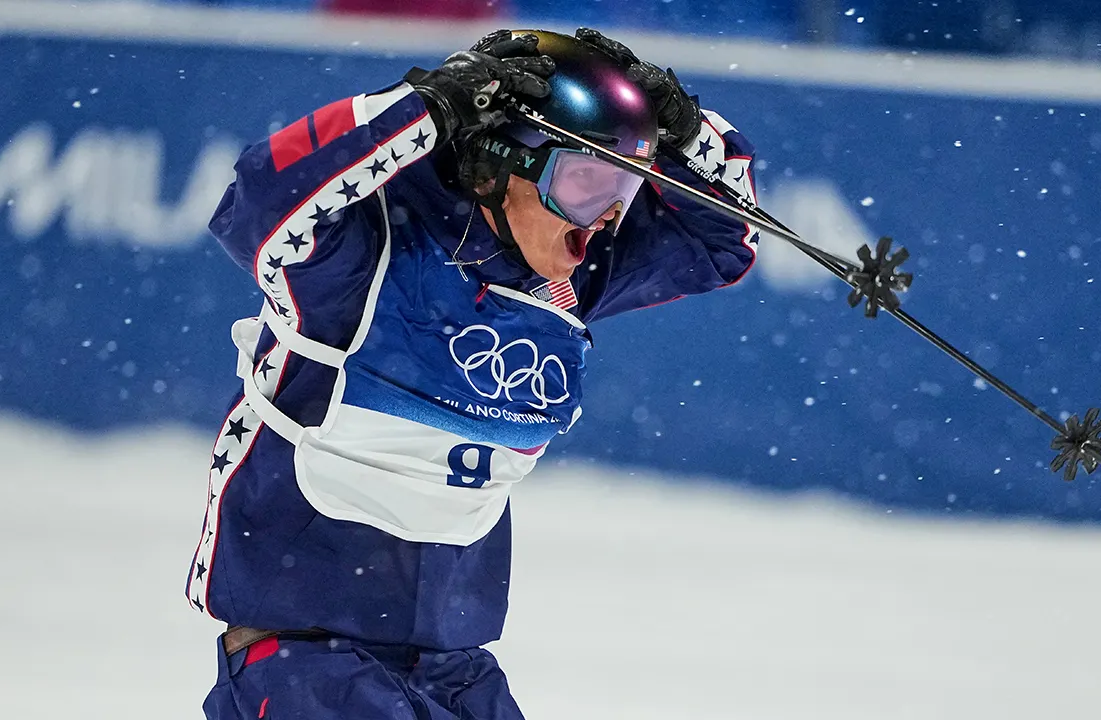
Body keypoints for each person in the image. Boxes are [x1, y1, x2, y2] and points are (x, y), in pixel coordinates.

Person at [189, 28, 759, 720]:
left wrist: (688, 132)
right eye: (585, 182)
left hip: (456, 671)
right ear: (494, 170)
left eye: (625, 187)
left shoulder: (563, 281)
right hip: (308, 665)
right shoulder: (362, 256)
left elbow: (726, 239)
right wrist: (427, 105)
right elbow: (257, 197)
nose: (609, 216)